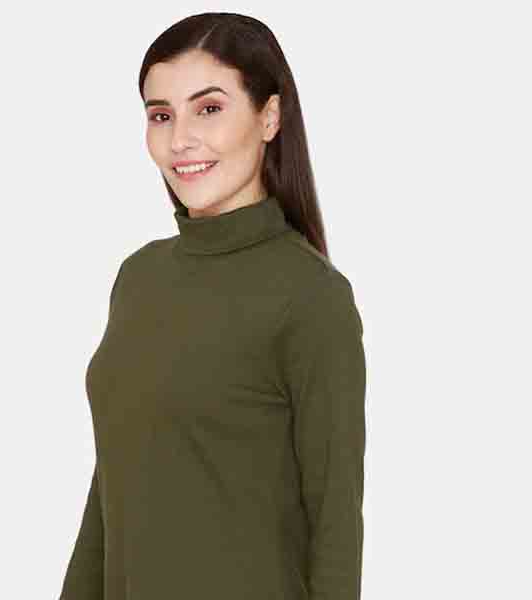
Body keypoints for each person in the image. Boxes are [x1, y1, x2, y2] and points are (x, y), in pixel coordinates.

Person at [58, 12, 367, 600]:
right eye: (161, 115)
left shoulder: (311, 296)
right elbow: (110, 491)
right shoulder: (139, 278)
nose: (180, 140)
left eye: (208, 109)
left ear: (269, 117)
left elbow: (335, 526)